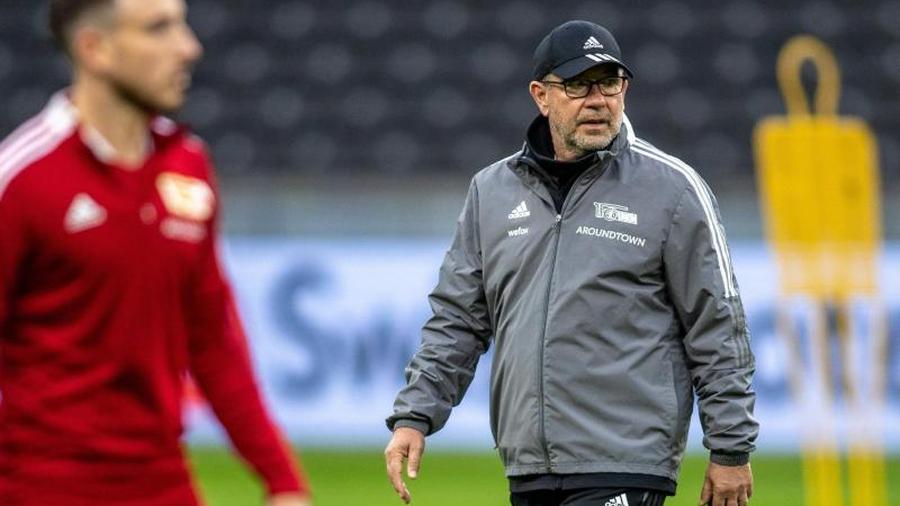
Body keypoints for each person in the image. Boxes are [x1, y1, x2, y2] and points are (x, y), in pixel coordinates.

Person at [385, 20, 758, 506]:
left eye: (610, 83)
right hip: (529, 466)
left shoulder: (674, 189)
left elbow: (717, 325)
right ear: (541, 96)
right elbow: (457, 321)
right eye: (579, 85)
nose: (598, 100)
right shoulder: (491, 192)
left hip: (626, 461)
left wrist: (731, 447)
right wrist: (415, 415)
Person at [0, 1, 311, 504]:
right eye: (158, 28)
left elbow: (212, 340)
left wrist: (284, 482)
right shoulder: (23, 178)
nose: (189, 47)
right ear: (95, 48)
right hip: (41, 487)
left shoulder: (188, 164)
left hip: (163, 482)